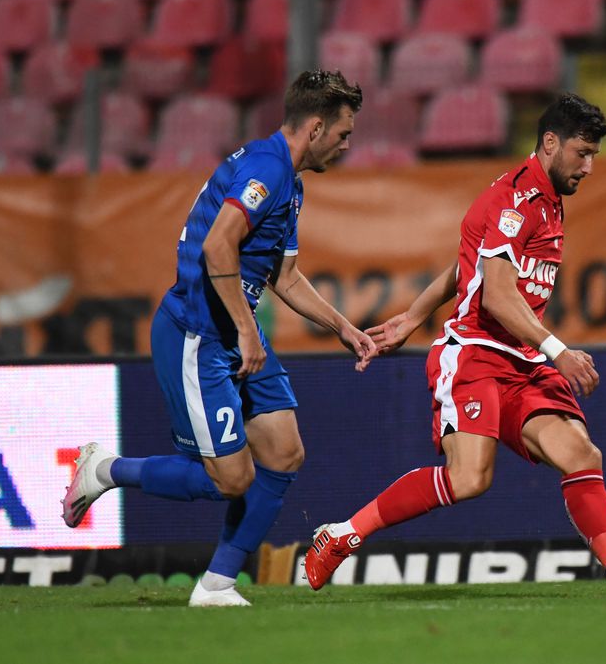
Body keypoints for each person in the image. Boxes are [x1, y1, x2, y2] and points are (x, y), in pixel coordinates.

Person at [304, 94, 606, 597]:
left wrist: (413, 316)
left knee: (581, 454)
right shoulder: (518, 200)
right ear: (550, 143)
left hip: (521, 361)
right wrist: (559, 350)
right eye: (582, 153)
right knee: (469, 479)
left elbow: (467, 262)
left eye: (594, 155)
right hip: (476, 353)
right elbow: (497, 295)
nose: (589, 167)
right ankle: (342, 535)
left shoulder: (546, 199)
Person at [62, 70, 377, 607]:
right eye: (344, 133)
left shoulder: (289, 181)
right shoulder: (267, 169)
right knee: (230, 479)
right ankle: (104, 469)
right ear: (316, 127)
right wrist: (249, 332)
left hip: (232, 333)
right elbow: (217, 246)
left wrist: (343, 328)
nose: (347, 144)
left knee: (284, 451)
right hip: (198, 335)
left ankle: (216, 585)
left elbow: (284, 276)